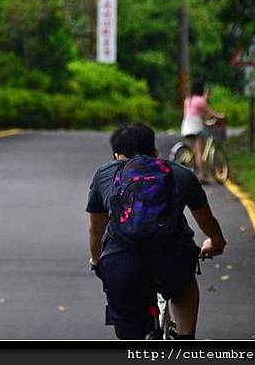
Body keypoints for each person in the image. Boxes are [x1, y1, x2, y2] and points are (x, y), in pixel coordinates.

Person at [86, 123, 227, 340]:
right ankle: (186, 339)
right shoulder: (180, 174)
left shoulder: (104, 175)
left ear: (116, 155)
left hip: (122, 265)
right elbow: (207, 221)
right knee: (183, 286)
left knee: (129, 324)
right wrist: (216, 242)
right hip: (172, 261)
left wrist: (97, 261)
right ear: (155, 153)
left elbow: (96, 230)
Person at [180, 78, 225, 183]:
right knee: (199, 152)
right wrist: (220, 116)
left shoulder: (188, 100)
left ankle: (188, 162)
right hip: (197, 128)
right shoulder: (201, 100)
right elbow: (209, 112)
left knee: (193, 150)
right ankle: (201, 176)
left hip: (186, 127)